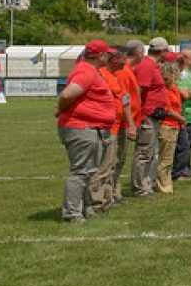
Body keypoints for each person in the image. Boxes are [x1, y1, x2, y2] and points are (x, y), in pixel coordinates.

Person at [56, 41, 119, 222]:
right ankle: (72, 213)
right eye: (107, 54)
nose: (109, 58)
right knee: (80, 172)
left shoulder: (89, 70)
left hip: (90, 128)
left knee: (88, 171)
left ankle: (84, 208)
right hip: (81, 128)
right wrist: (60, 108)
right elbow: (68, 94)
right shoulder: (86, 71)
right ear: (100, 56)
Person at [89, 45, 139, 214]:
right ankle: (97, 202)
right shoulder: (102, 75)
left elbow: (124, 100)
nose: (126, 61)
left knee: (112, 164)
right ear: (114, 59)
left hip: (117, 125)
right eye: (123, 58)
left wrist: (130, 123)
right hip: (108, 126)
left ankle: (107, 199)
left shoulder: (114, 76)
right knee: (104, 166)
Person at [128, 38, 170, 199]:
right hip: (147, 116)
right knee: (144, 153)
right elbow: (137, 92)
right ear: (162, 51)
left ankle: (144, 185)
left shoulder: (152, 65)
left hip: (152, 115)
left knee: (149, 152)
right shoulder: (147, 66)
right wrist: (137, 116)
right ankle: (140, 187)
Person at [157, 57, 187, 193]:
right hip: (167, 125)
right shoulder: (164, 90)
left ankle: (167, 182)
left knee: (169, 157)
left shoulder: (173, 88)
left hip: (175, 125)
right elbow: (167, 109)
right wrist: (181, 119)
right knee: (165, 158)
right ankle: (163, 184)